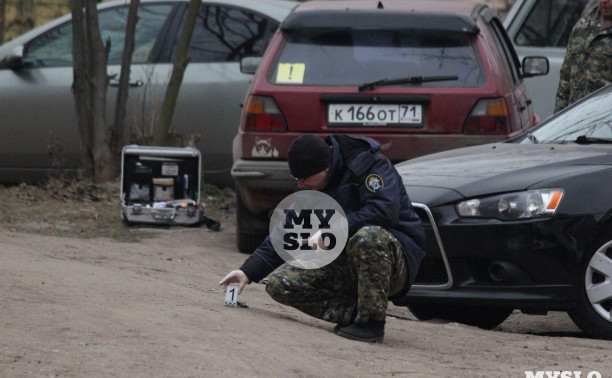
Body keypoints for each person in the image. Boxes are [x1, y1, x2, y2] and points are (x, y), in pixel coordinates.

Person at [220, 134, 426, 343]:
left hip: (396, 259)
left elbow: (384, 211)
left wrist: (333, 231)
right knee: (280, 284)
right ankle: (358, 312)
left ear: (325, 169)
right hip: (347, 258)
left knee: (368, 236)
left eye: (304, 179)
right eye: (297, 179)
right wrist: (248, 271)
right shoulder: (311, 186)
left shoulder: (369, 166)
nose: (300, 185)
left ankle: (371, 323)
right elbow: (287, 232)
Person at [554, 0, 612, 113]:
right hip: (576, 119)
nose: (604, 1)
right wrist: (559, 116)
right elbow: (565, 80)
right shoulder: (582, 28)